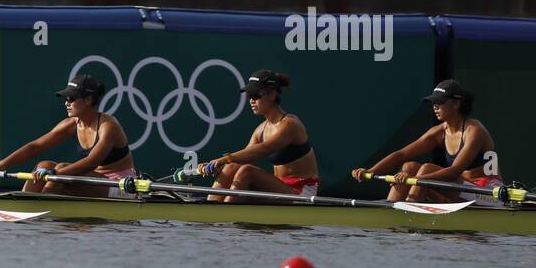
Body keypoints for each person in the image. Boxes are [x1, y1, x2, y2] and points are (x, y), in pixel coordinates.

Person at [350, 79, 503, 204]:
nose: (435, 106)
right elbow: (401, 154)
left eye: (440, 102)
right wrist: (371, 171)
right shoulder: (439, 132)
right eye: (433, 102)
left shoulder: (474, 130)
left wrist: (415, 180)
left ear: (456, 104)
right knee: (408, 166)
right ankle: (390, 213)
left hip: (488, 193)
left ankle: (409, 216)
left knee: (427, 169)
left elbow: (454, 171)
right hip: (462, 190)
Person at [0, 74, 135, 195]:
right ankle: (26, 203)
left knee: (60, 168)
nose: (66, 103)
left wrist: (55, 173)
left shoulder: (108, 126)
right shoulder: (71, 124)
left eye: (71, 98)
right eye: (66, 98)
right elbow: (35, 147)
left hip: (119, 186)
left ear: (88, 100)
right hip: (94, 182)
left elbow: (91, 162)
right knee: (44, 165)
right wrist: (1, 165)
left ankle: (43, 206)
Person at [194, 70, 319, 201]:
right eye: (249, 96)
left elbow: (263, 150)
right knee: (231, 166)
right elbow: (245, 157)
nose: (251, 100)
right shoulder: (261, 130)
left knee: (247, 172)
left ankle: (224, 216)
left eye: (255, 95)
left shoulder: (290, 124)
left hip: (303, 192)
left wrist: (223, 159)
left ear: (272, 95)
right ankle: (212, 211)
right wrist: (213, 166)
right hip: (282, 187)